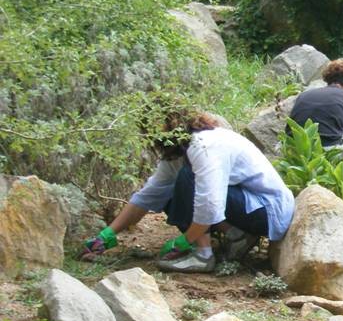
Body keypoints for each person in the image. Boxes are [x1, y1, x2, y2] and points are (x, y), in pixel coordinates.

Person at [81, 110, 296, 273]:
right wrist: (107, 234)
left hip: (267, 211)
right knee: (170, 192)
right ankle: (235, 236)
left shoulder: (204, 146)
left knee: (188, 177)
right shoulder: (181, 150)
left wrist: (185, 241)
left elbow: (210, 203)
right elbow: (150, 195)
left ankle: (203, 256)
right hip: (246, 204)